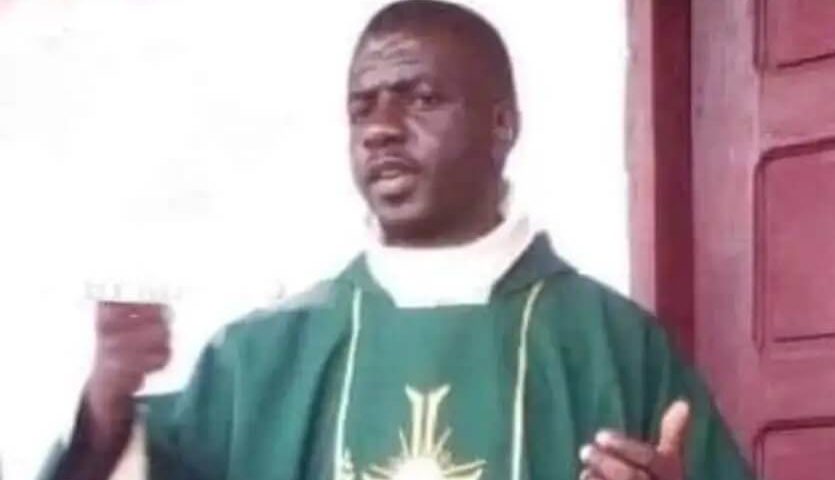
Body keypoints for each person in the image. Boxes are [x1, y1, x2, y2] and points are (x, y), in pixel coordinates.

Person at [42, 1, 754, 479]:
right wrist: (104, 407)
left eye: (421, 98)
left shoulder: (611, 347)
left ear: (502, 126)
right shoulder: (260, 359)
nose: (380, 128)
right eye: (362, 107)